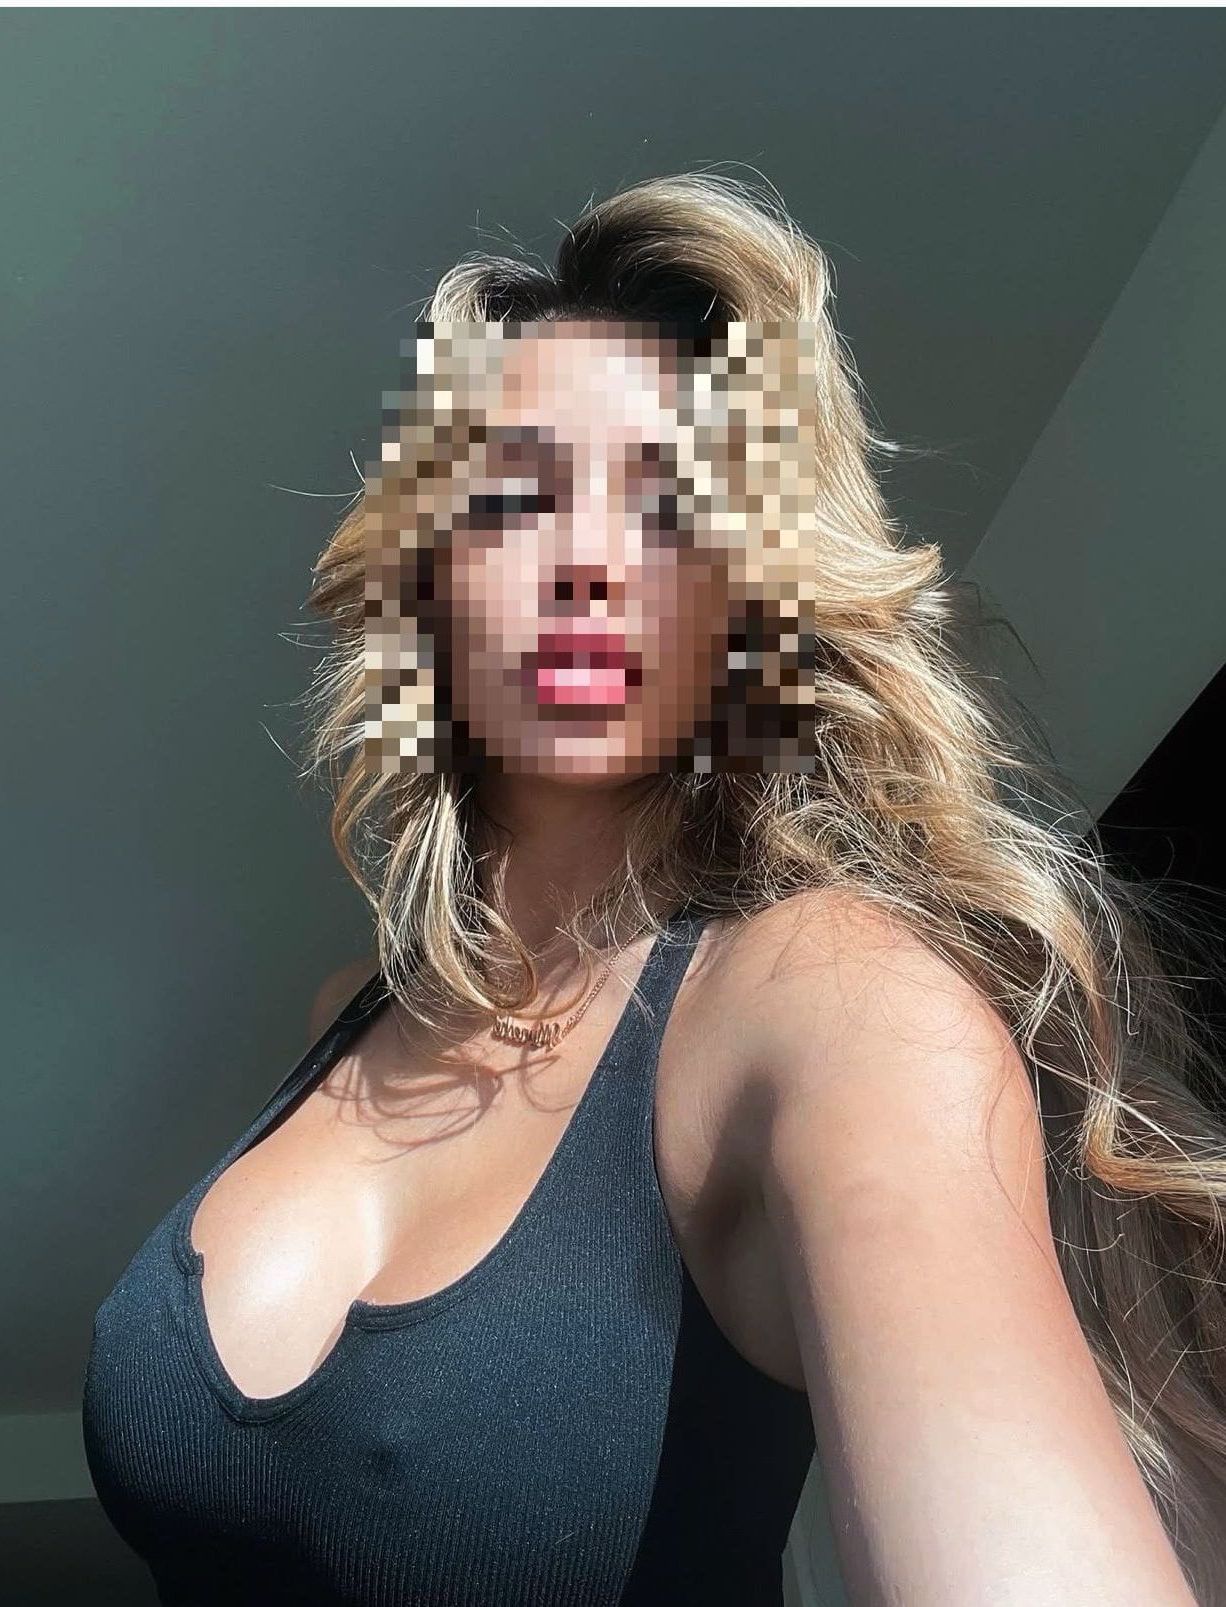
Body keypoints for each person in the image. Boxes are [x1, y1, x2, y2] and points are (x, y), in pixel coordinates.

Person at [82, 171, 1226, 1606]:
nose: (589, 564)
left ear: (759, 606)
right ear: (426, 581)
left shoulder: (835, 1009)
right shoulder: (348, 1014)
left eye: (676, 509)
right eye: (517, 495)